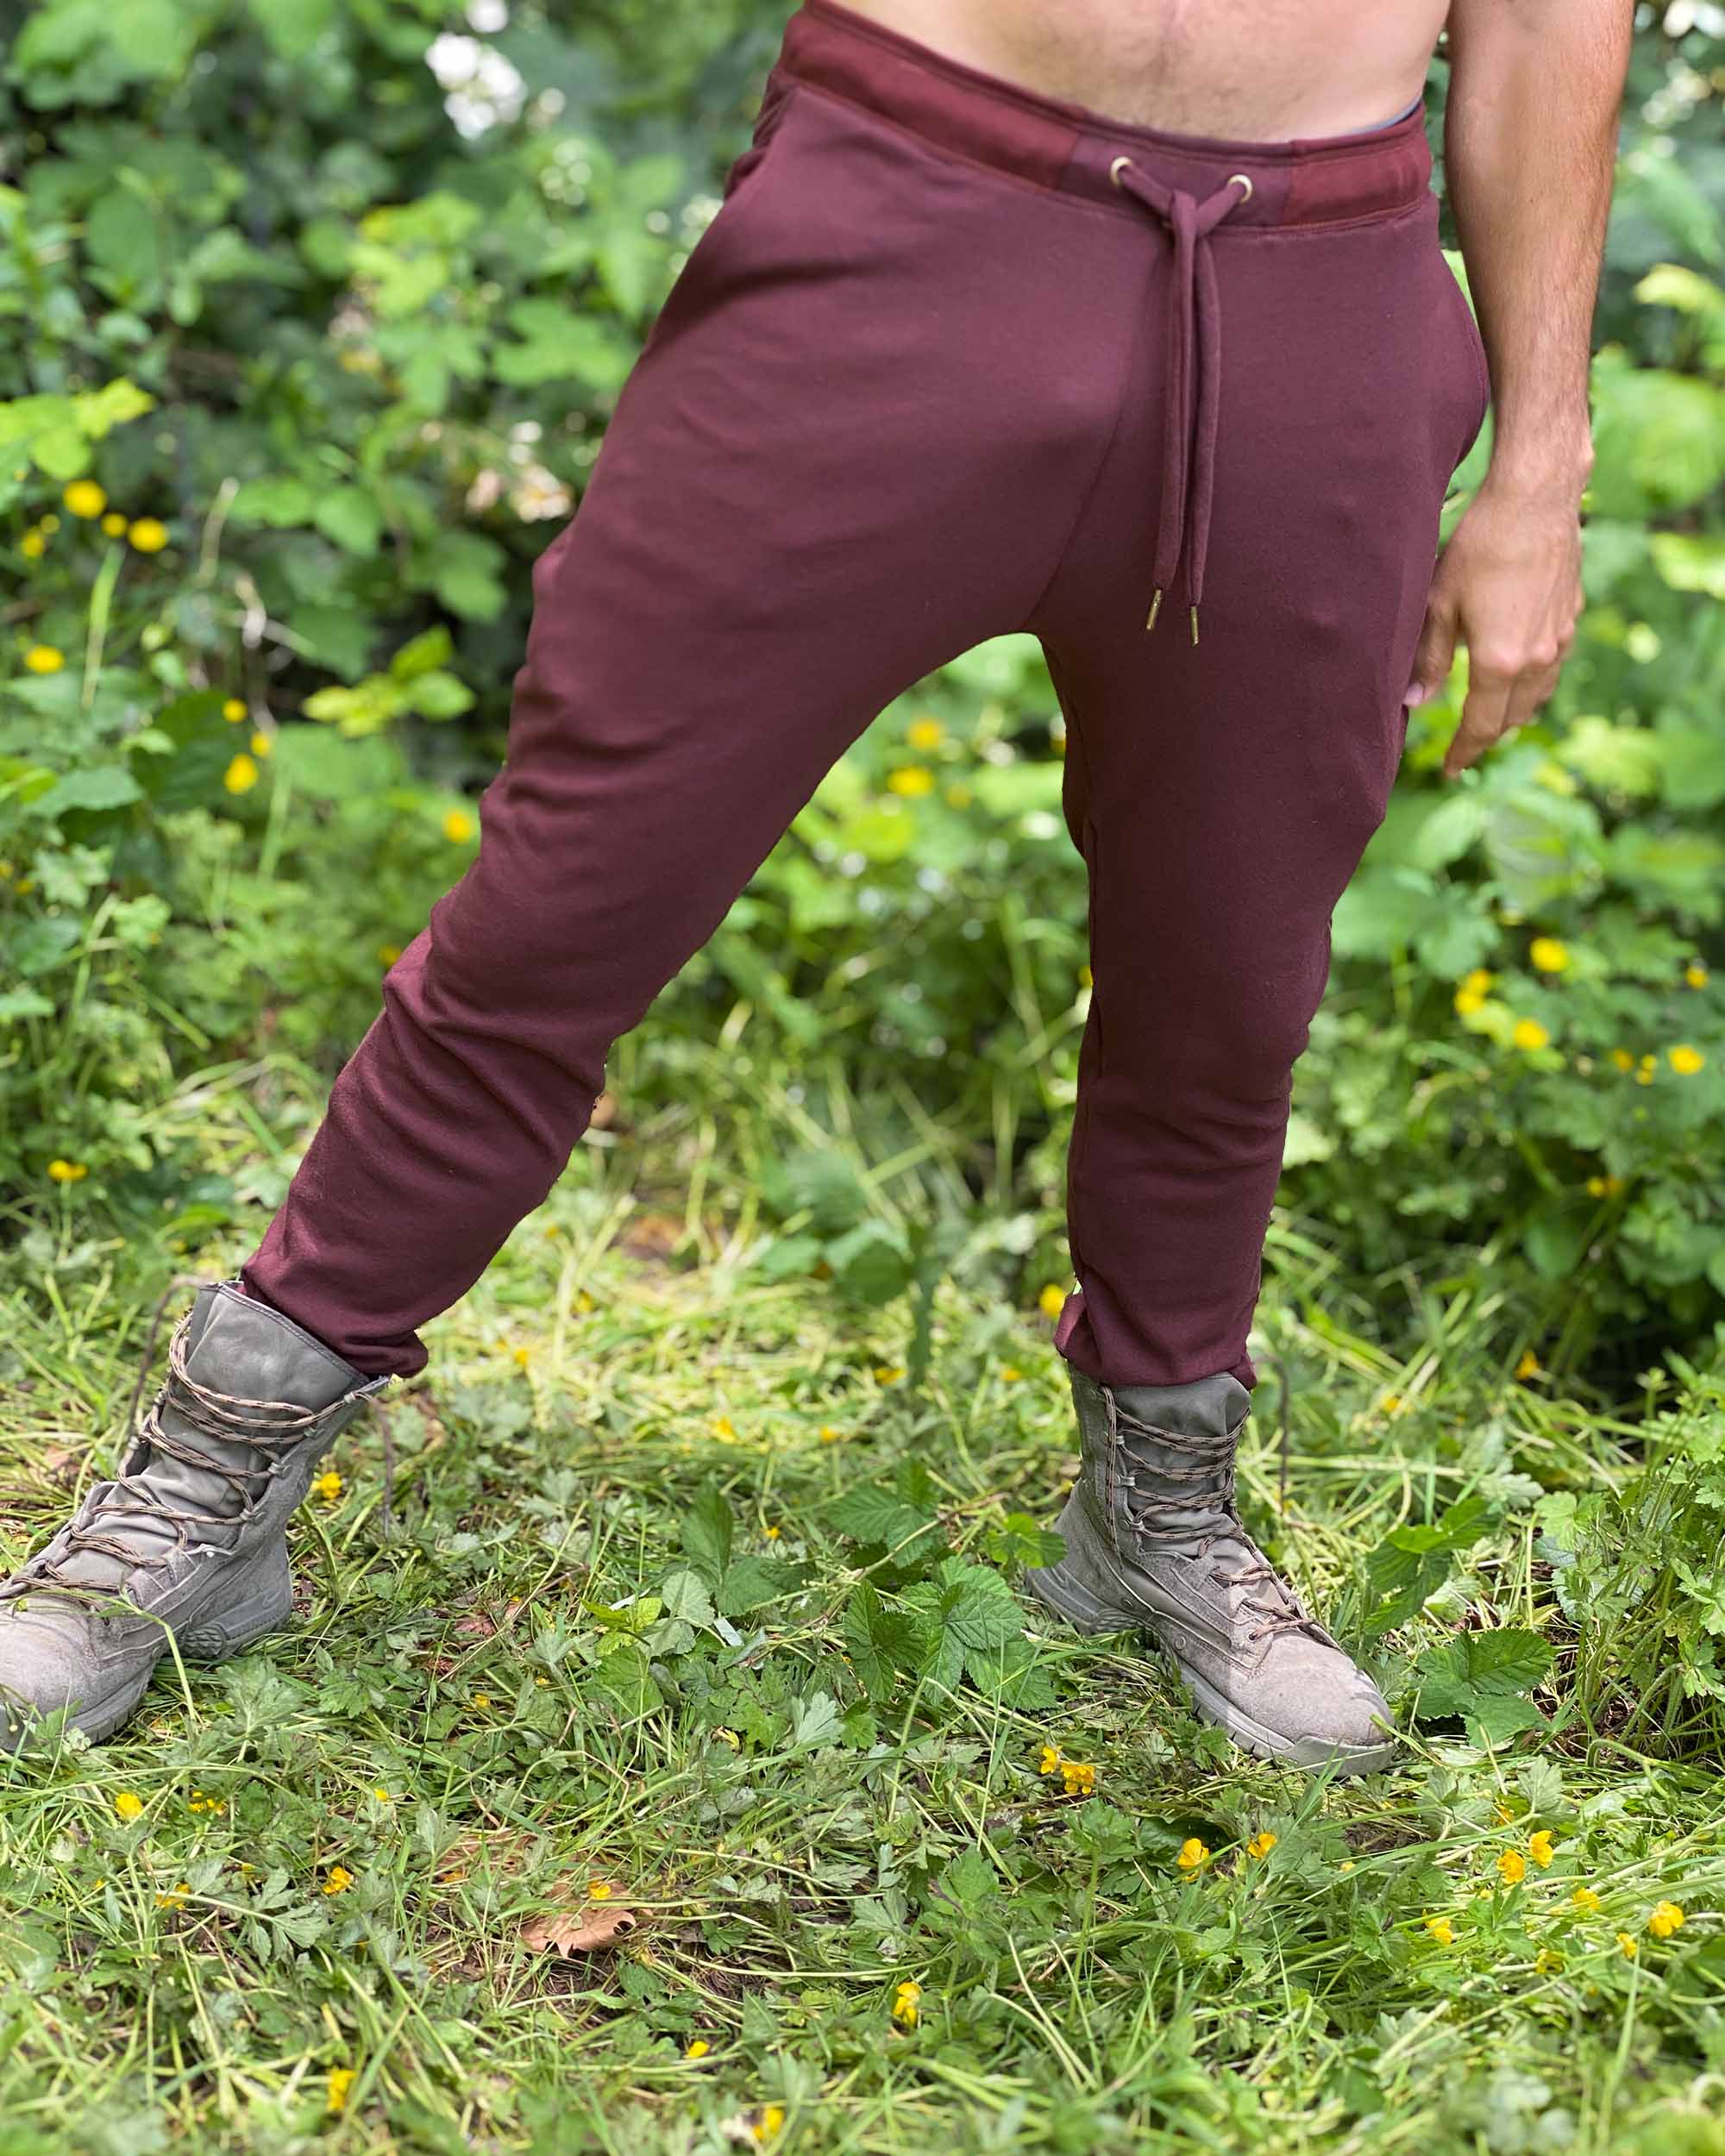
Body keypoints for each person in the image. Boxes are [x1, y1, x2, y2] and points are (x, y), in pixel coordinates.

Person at [1, 0, 1631, 1771]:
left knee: (1228, 978)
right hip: (912, 199)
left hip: (1319, 292)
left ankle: (1159, 1506)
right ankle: (208, 1480)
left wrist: (1540, 465)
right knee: (570, 902)